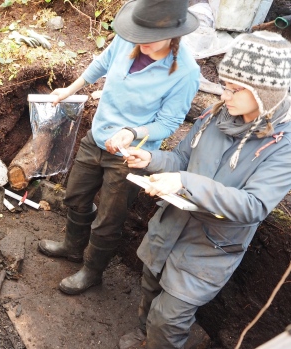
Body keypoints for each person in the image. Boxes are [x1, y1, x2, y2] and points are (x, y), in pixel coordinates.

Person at [120, 31, 291, 349]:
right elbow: (182, 159)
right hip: (169, 229)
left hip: (208, 250)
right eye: (225, 85)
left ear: (266, 94)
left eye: (237, 90)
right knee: (150, 287)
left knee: (169, 319)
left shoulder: (282, 145)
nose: (226, 96)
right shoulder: (216, 115)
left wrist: (186, 182)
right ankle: (143, 336)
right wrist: (152, 159)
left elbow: (253, 205)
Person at [38, 0, 200, 295]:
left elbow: (169, 123)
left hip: (129, 155)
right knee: (75, 196)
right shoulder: (129, 38)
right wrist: (70, 89)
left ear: (173, 34)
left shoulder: (186, 73)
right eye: (138, 35)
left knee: (109, 220)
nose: (141, 42)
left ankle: (91, 270)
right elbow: (101, 63)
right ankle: (73, 247)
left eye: (149, 38)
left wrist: (132, 132)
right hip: (98, 137)